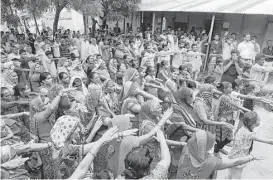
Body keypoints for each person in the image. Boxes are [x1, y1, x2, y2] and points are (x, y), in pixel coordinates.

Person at [176, 130, 262, 179]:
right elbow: (235, 162)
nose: (213, 145)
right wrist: (251, 157)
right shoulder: (211, 162)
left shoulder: (187, 148)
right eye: (211, 143)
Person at [227, 111, 273, 179]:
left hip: (232, 156)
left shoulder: (243, 128)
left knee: (231, 173)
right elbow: (266, 141)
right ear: (252, 124)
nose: (260, 121)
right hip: (239, 160)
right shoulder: (249, 134)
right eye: (259, 120)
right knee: (236, 177)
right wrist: (270, 141)